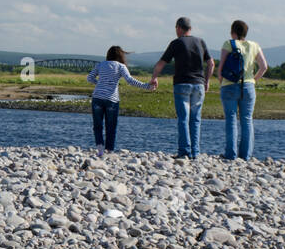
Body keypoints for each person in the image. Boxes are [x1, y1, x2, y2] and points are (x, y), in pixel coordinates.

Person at [151, 16, 214, 159]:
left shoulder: (176, 43)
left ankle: (184, 151)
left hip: (181, 84)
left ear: (179, 28)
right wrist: (207, 81)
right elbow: (211, 63)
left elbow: (161, 63)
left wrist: (154, 78)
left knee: (183, 119)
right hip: (198, 84)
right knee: (196, 119)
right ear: (190, 28)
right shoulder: (201, 41)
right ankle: (195, 152)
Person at [87, 46, 154, 156]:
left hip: (97, 98)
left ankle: (100, 149)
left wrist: (99, 84)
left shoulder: (100, 64)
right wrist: (147, 86)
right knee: (111, 126)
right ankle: (109, 150)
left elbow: (89, 78)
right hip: (112, 99)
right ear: (120, 56)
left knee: (97, 125)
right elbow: (130, 80)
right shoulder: (121, 66)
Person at [218, 19, 269, 160]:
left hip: (229, 85)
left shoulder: (228, 44)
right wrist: (253, 80)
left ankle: (230, 155)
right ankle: (245, 156)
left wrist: (221, 82)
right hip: (248, 86)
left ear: (232, 31)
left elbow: (221, 68)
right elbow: (264, 66)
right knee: (247, 120)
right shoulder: (254, 45)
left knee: (231, 120)